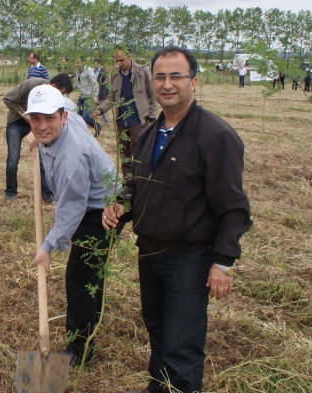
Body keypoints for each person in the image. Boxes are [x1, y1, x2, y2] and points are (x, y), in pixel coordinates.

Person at [104, 46, 252, 393]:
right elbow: (137, 184)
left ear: (194, 82)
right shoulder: (148, 134)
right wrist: (122, 205)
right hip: (151, 252)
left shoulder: (216, 136)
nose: (167, 84)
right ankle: (159, 388)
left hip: (190, 257)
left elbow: (234, 207)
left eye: (176, 76)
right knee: (157, 329)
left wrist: (224, 262)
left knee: (182, 343)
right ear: (151, 81)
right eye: (160, 76)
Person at [24, 84, 124, 367]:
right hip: (94, 198)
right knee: (91, 272)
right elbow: (62, 103)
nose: (42, 126)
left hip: (103, 209)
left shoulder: (71, 159)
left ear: (63, 118)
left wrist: (48, 247)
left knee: (80, 277)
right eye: (35, 119)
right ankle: (93, 320)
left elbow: (71, 211)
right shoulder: (65, 111)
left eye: (49, 119)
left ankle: (81, 346)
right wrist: (35, 134)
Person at [2, 74, 74, 201]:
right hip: (16, 124)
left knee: (42, 159)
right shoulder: (31, 84)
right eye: (61, 93)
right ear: (53, 86)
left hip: (37, 125)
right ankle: (10, 192)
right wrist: (25, 116)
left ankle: (47, 194)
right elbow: (8, 99)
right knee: (13, 158)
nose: (61, 97)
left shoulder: (54, 98)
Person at [93, 47, 158, 177]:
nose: (119, 63)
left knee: (139, 155)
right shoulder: (115, 75)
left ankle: (140, 181)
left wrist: (152, 118)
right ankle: (128, 183)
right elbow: (112, 98)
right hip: (121, 121)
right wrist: (101, 110)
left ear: (130, 56)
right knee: (124, 155)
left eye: (122, 60)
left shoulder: (143, 72)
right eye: (117, 60)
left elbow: (153, 96)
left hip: (139, 121)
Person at [74, 57, 101, 136]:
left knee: (85, 116)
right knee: (78, 116)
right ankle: (80, 133)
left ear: (83, 63)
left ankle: (97, 126)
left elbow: (95, 84)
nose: (76, 64)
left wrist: (95, 97)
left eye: (78, 63)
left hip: (89, 96)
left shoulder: (88, 70)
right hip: (81, 96)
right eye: (75, 63)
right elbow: (79, 84)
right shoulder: (77, 71)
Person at [93, 58, 110, 125]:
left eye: (96, 64)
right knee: (93, 107)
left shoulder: (104, 72)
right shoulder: (93, 71)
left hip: (102, 93)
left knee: (103, 107)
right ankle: (92, 120)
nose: (95, 66)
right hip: (95, 93)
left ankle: (107, 122)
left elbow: (105, 84)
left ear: (99, 64)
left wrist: (103, 94)